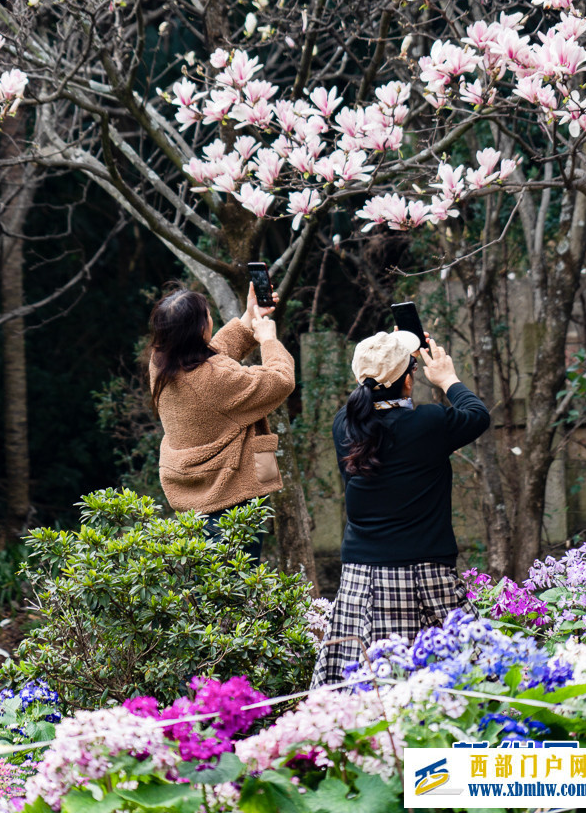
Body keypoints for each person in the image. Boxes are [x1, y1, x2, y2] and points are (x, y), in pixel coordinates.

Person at [311, 329, 490, 687]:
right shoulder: (428, 422)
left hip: (362, 577)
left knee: (367, 687)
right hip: (426, 572)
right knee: (465, 677)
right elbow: (477, 414)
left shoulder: (344, 425)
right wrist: (447, 378)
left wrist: (394, 348)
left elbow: (382, 396)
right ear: (409, 382)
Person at [147, 282, 295, 559]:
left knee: (207, 591)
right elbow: (281, 381)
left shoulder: (160, 364)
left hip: (193, 498)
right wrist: (269, 341)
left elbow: (212, 354)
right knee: (234, 590)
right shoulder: (215, 378)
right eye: (207, 315)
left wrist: (250, 317)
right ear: (200, 328)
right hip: (231, 497)